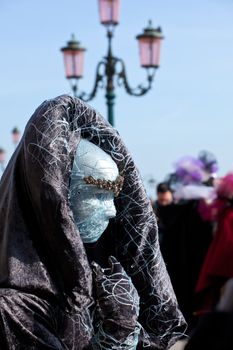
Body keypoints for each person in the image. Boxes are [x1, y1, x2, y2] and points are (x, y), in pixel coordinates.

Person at [0, 95, 186, 349]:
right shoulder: (14, 308)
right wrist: (115, 338)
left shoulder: (98, 282)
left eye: (112, 196)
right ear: (58, 196)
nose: (111, 211)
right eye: (97, 195)